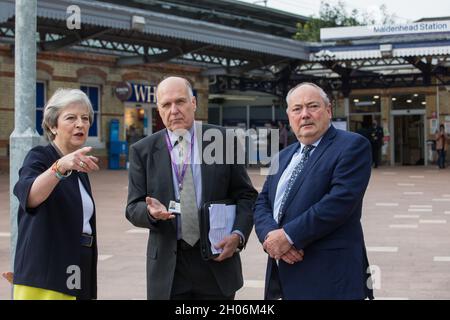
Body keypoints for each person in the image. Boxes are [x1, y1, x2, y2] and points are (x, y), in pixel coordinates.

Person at [126, 76, 257, 300]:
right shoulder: (142, 151)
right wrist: (150, 213)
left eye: (180, 102)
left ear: (194, 103)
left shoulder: (222, 140)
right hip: (169, 268)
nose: (174, 110)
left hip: (217, 260)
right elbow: (132, 207)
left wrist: (238, 235)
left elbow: (246, 195)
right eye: (166, 105)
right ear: (158, 109)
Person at [254, 82, 373, 300]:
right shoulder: (281, 156)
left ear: (328, 111)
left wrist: (288, 237)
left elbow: (339, 202)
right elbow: (262, 203)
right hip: (284, 275)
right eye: (297, 109)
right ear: (289, 116)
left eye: (313, 106)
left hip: (331, 279)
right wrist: (271, 238)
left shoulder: (352, 146)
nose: (305, 114)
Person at [12, 88, 99, 300]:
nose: (81, 124)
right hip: (47, 270)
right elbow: (29, 197)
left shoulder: (78, 165)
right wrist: (59, 167)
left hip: (78, 262)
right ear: (53, 125)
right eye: (71, 118)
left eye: (85, 118)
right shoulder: (41, 157)